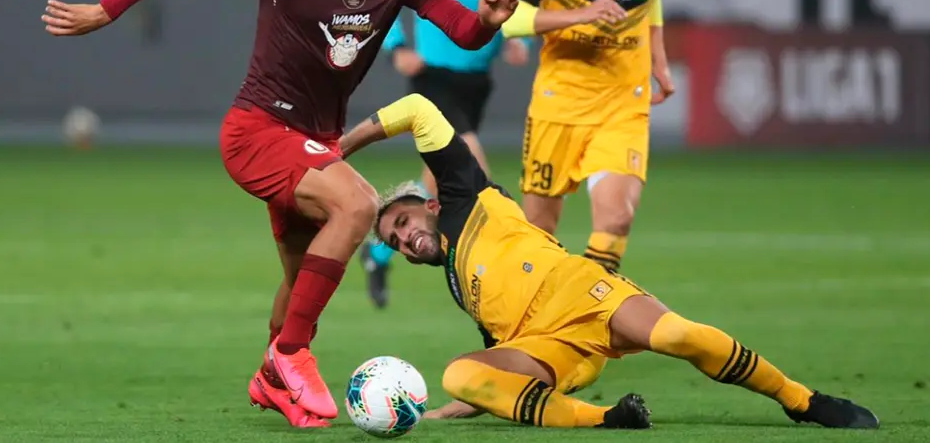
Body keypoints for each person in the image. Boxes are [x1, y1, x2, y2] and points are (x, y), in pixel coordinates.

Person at [40, 0, 518, 428]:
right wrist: (106, 9)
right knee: (361, 205)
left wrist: (488, 20)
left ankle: (271, 377)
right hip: (258, 132)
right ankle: (291, 355)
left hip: (317, 144)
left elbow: (463, 31)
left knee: (300, 282)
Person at [338, 93, 879, 430]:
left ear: (428, 205)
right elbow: (497, 370)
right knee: (458, 375)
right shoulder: (461, 288)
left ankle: (802, 400)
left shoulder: (464, 195)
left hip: (582, 290)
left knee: (676, 338)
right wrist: (450, 406)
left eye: (404, 222)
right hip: (550, 346)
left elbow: (416, 109)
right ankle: (607, 421)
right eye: (394, 240)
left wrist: (342, 148)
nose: (405, 238)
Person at [360, 0, 530, 309]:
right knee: (471, 167)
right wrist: (398, 49)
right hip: (433, 82)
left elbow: (518, 15)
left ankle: (379, 251)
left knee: (439, 177)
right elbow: (383, 5)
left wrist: (519, 42)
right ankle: (492, 273)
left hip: (476, 85)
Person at [502, 0, 675, 273]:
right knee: (539, 232)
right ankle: (537, 324)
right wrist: (582, 14)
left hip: (623, 102)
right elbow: (511, 20)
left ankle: (590, 311)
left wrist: (660, 59)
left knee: (617, 218)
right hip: (560, 102)